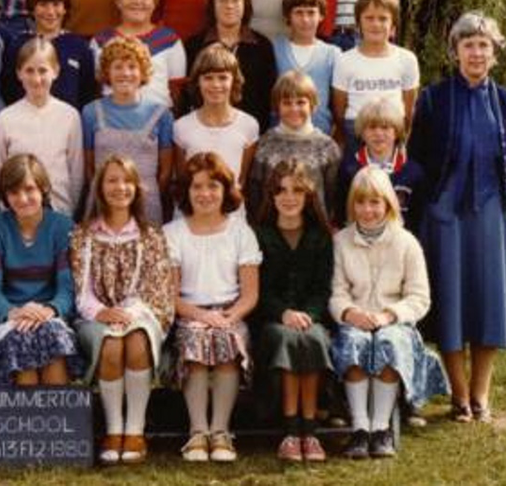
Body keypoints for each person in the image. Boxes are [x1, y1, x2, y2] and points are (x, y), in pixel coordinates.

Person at [409, 11, 506, 424]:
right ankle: (458, 395)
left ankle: (481, 394)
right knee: (451, 301)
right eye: (468, 44)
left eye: (483, 44)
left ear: (494, 52)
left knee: (489, 303)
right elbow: (418, 158)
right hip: (445, 214)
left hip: (494, 214)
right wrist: (429, 202)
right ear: (455, 51)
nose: (476, 52)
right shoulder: (433, 98)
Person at [330, 167, 448, 460]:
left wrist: (388, 315)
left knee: (390, 342)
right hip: (355, 319)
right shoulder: (341, 241)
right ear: (352, 205)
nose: (367, 210)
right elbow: (336, 293)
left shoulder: (407, 243)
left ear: (388, 204)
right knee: (353, 342)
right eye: (360, 202)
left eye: (374, 202)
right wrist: (349, 312)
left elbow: (420, 298)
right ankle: (359, 428)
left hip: (394, 322)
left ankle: (381, 429)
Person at [70, 154, 175, 464]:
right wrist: (101, 313)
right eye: (112, 180)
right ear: (100, 188)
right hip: (96, 316)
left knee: (137, 339)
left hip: (142, 312)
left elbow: (156, 288)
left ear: (137, 188)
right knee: (111, 344)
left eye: (127, 180)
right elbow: (81, 288)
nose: (120, 187)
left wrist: (129, 313)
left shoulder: (151, 236)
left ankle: (136, 429)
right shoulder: (84, 235)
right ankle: (114, 429)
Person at [165, 153, 260, 463]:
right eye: (197, 187)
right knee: (196, 338)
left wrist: (226, 318)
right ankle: (197, 431)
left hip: (230, 312)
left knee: (226, 339)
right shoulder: (173, 233)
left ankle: (220, 431)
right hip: (189, 313)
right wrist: (201, 315)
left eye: (213, 186)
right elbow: (170, 296)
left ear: (226, 191)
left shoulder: (240, 232)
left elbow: (250, 295)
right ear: (187, 192)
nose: (205, 194)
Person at [250, 159, 333, 464]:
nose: (289, 197)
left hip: (311, 319)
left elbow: (323, 289)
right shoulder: (258, 235)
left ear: (308, 196)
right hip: (271, 321)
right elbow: (257, 291)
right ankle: (289, 430)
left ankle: (309, 430)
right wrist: (283, 313)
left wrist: (308, 314)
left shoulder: (321, 236)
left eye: (297, 190)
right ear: (271, 195)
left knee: (313, 339)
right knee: (286, 339)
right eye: (281, 190)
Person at [0, 154, 81, 388]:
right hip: (10, 316)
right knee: (22, 341)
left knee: (51, 336)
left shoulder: (63, 227)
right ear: (5, 196)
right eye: (14, 192)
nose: (22, 199)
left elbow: (67, 287)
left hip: (50, 314)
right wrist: (14, 313)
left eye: (29, 189)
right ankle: (28, 422)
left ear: (43, 189)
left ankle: (57, 422)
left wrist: (49, 310)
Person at [82, 36, 173, 223]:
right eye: (117, 67)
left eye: (132, 67)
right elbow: (89, 166)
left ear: (143, 72)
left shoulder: (161, 114)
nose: (125, 73)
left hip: (147, 205)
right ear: (107, 72)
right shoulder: (91, 112)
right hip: (103, 204)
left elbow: (165, 171)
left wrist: (147, 194)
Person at [0, 37, 84, 217]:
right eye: (29, 71)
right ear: (19, 73)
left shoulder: (69, 116)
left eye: (43, 70)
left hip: (60, 213)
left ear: (55, 71)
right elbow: (0, 171)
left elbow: (76, 171)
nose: (36, 79)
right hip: (18, 216)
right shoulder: (5, 119)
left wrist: (69, 210)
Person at [184, 0, 277, 131]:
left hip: (250, 132)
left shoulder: (262, 46)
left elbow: (267, 96)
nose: (229, 6)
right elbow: (188, 93)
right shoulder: (195, 45)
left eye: (235, 0)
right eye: (222, 0)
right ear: (212, 5)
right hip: (204, 128)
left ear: (246, 5)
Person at [245, 70, 342, 223]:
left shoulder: (327, 147)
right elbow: (255, 192)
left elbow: (334, 197)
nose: (294, 109)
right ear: (277, 106)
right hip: (271, 234)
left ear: (313, 104)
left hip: (316, 234)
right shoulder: (265, 144)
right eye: (287, 103)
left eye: (301, 102)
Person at [331, 0, 419, 150]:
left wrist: (402, 137)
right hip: (355, 133)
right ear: (358, 24)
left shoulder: (407, 60)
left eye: (383, 18)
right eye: (369, 18)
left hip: (392, 134)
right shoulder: (344, 60)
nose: (376, 24)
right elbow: (339, 110)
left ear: (393, 25)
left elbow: (409, 108)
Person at [90, 0, 188, 109]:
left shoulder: (170, 41)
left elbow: (176, 91)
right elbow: (96, 88)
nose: (137, 2)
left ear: (154, 2)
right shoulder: (101, 41)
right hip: (111, 119)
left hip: (157, 120)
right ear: (118, 1)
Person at [173, 45, 260, 198]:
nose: (216, 85)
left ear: (234, 80)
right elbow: (182, 180)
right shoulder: (181, 127)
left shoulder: (249, 125)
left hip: (231, 212)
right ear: (197, 81)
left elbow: (242, 179)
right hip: (192, 211)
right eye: (208, 78)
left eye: (222, 77)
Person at [4, 0, 97, 109]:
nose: (50, 12)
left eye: (56, 4)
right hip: (25, 123)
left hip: (66, 124)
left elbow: (88, 93)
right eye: (43, 4)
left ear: (65, 8)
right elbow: (8, 89)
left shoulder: (79, 46)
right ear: (32, 8)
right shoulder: (17, 44)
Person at [336, 98, 425, 232]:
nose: (378, 133)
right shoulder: (349, 168)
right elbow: (341, 214)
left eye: (385, 127)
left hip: (399, 244)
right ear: (362, 132)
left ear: (396, 132)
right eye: (372, 127)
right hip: (359, 241)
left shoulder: (413, 171)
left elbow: (418, 218)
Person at [271, 0, 340, 135]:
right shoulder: (275, 49)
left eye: (311, 13)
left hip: (319, 138)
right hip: (281, 138)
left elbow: (338, 105)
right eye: (299, 13)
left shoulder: (332, 54)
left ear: (321, 15)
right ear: (288, 15)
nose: (305, 20)